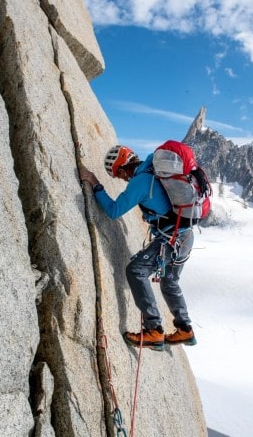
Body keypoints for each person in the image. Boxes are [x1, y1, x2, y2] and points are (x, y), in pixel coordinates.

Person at [79, 145, 196, 351]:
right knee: (169, 282)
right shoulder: (153, 171)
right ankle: (184, 329)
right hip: (185, 236)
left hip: (171, 238)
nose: (122, 180)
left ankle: (154, 330)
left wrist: (95, 183)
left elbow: (114, 210)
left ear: (123, 170)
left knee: (136, 271)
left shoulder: (140, 181)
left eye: (119, 175)